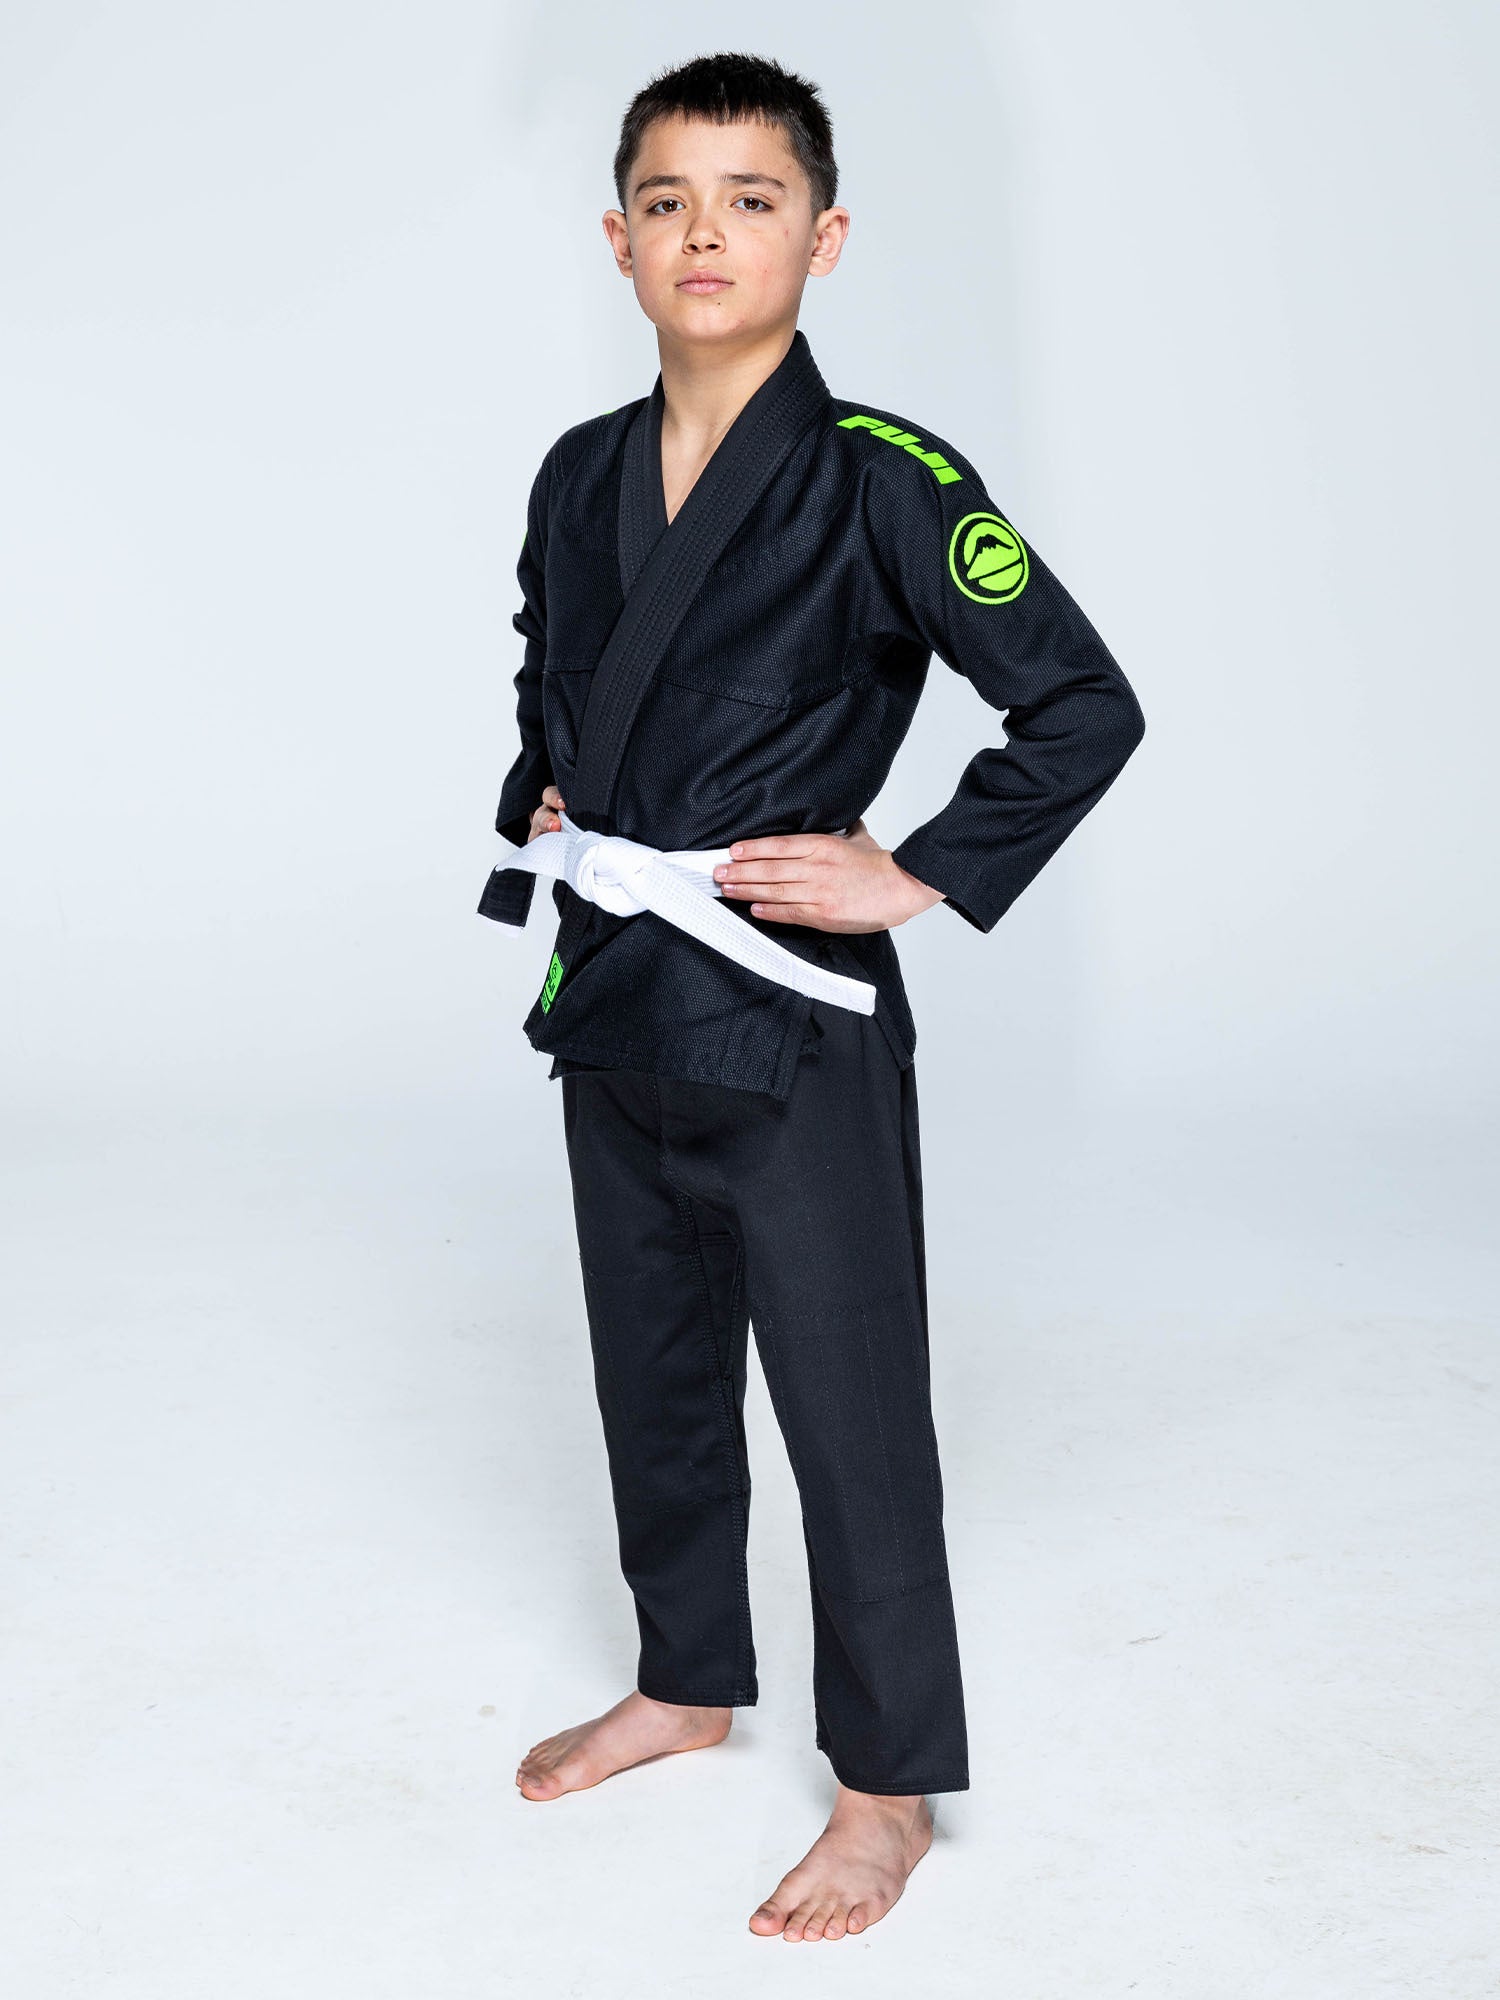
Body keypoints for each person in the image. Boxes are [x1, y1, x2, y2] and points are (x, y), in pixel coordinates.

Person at [476, 51, 1146, 1943]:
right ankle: (688, 1678)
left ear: (823, 237)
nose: (708, 233)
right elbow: (555, 680)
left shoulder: (886, 480)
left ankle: (886, 1789)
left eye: (752, 199)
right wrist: (546, 805)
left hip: (792, 1012)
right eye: (669, 202)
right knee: (654, 1371)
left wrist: (917, 869)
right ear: (617, 239)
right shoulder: (578, 472)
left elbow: (1081, 704)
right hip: (613, 984)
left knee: (850, 1405)